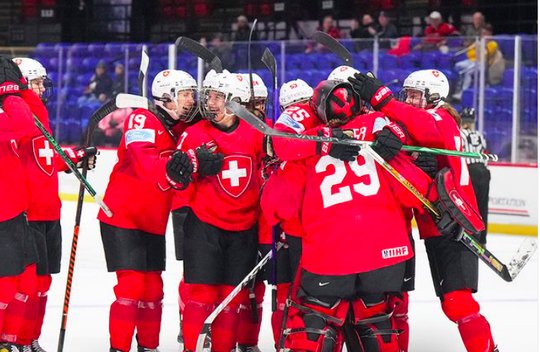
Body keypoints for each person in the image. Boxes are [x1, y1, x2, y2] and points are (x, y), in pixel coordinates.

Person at [348, 69, 498, 352]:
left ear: (435, 96)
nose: (409, 101)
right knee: (454, 305)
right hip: (438, 227)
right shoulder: (422, 122)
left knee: (459, 304)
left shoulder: (442, 118)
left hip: (454, 224)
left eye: (416, 95)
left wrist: (383, 99)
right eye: (407, 95)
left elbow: (424, 127)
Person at [97, 69, 198, 352]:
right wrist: (176, 168)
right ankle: (119, 348)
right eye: (186, 94)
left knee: (153, 291)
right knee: (131, 289)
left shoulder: (177, 128)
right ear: (166, 98)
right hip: (123, 216)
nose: (191, 100)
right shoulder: (140, 119)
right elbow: (145, 162)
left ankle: (149, 347)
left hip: (153, 221)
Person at [10, 57, 96, 352]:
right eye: (35, 83)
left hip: (49, 212)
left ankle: (31, 339)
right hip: (26, 214)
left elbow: (46, 157)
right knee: (26, 286)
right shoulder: (14, 116)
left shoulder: (39, 115)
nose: (42, 88)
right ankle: (14, 340)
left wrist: (75, 155)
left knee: (43, 286)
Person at [175, 71, 265, 352]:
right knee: (201, 296)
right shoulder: (194, 133)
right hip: (205, 226)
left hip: (244, 229)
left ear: (236, 102)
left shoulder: (259, 133)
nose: (209, 102)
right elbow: (175, 179)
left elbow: (272, 173)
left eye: (217, 97)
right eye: (209, 95)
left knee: (231, 300)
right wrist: (188, 163)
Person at [0, 56, 39, 352]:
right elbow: (25, 125)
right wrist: (13, 92)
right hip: (5, 211)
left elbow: (33, 126)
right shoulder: (8, 115)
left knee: (14, 280)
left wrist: (15, 92)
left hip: (11, 210)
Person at [460, 108, 490, 244]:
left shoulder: (459, 134)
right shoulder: (479, 135)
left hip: (470, 171)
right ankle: (482, 238)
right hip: (484, 171)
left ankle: (470, 234)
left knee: (469, 205)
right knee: (482, 205)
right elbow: (484, 153)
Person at [452, 24, 504, 101]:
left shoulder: (493, 44)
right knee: (458, 65)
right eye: (482, 33)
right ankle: (457, 89)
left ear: (490, 34)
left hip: (483, 64)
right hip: (473, 61)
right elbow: (469, 53)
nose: (483, 35)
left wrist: (479, 49)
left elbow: (484, 56)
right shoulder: (478, 42)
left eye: (485, 33)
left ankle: (463, 92)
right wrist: (477, 50)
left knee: (469, 72)